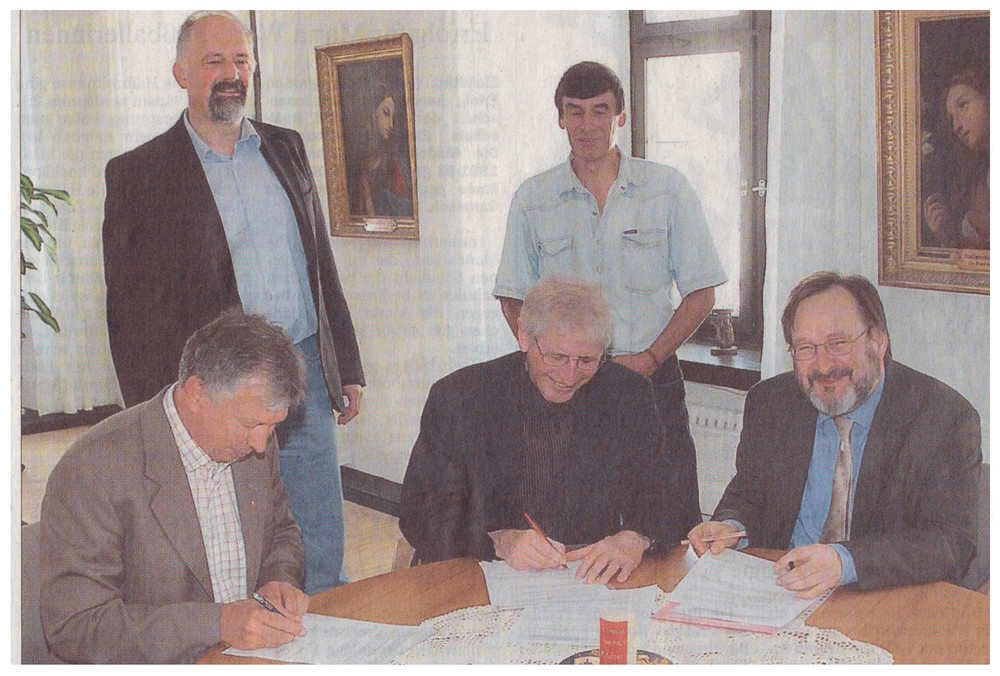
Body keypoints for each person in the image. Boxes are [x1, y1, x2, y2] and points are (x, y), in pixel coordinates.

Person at [101, 10, 364, 594]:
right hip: (218, 385)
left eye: (241, 60)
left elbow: (319, 263)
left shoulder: (286, 147)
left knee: (320, 534)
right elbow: (130, 313)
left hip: (301, 368)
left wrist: (345, 361)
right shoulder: (139, 174)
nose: (231, 74)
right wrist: (156, 411)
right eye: (214, 61)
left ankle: (327, 616)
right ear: (180, 73)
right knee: (231, 533)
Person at [493, 61, 727, 534]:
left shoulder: (667, 190)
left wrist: (651, 359)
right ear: (560, 118)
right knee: (572, 528)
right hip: (568, 385)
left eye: (600, 111)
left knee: (668, 523)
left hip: (652, 380)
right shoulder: (532, 199)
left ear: (621, 116)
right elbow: (514, 299)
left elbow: (701, 291)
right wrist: (552, 363)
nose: (587, 125)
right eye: (575, 111)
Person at [687, 272, 981, 598]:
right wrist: (731, 527)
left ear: (878, 342)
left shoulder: (943, 418)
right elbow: (748, 495)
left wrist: (844, 562)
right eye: (806, 348)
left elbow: (950, 543)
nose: (823, 365)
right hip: (781, 591)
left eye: (838, 343)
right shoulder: (771, 403)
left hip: (880, 599)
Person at [40, 311, 309, 663]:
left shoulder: (256, 443)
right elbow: (76, 627)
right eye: (250, 424)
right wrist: (217, 624)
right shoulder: (93, 470)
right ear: (197, 393)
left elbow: (281, 532)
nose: (261, 444)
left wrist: (279, 580)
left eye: (272, 427)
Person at [400, 277, 686, 584]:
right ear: (524, 336)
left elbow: (665, 496)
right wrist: (500, 542)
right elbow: (420, 516)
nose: (569, 375)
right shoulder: (460, 399)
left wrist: (636, 537)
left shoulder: (627, 395)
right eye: (556, 357)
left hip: (585, 581)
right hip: (483, 574)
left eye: (587, 360)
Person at [922, 63, 989, 249]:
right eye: (951, 118)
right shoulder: (978, 177)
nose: (956, 126)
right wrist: (946, 235)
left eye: (963, 105)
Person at [348, 81, 413, 218]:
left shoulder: (395, 163)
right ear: (372, 114)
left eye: (393, 117)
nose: (391, 124)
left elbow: (404, 212)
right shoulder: (359, 164)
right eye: (386, 113)